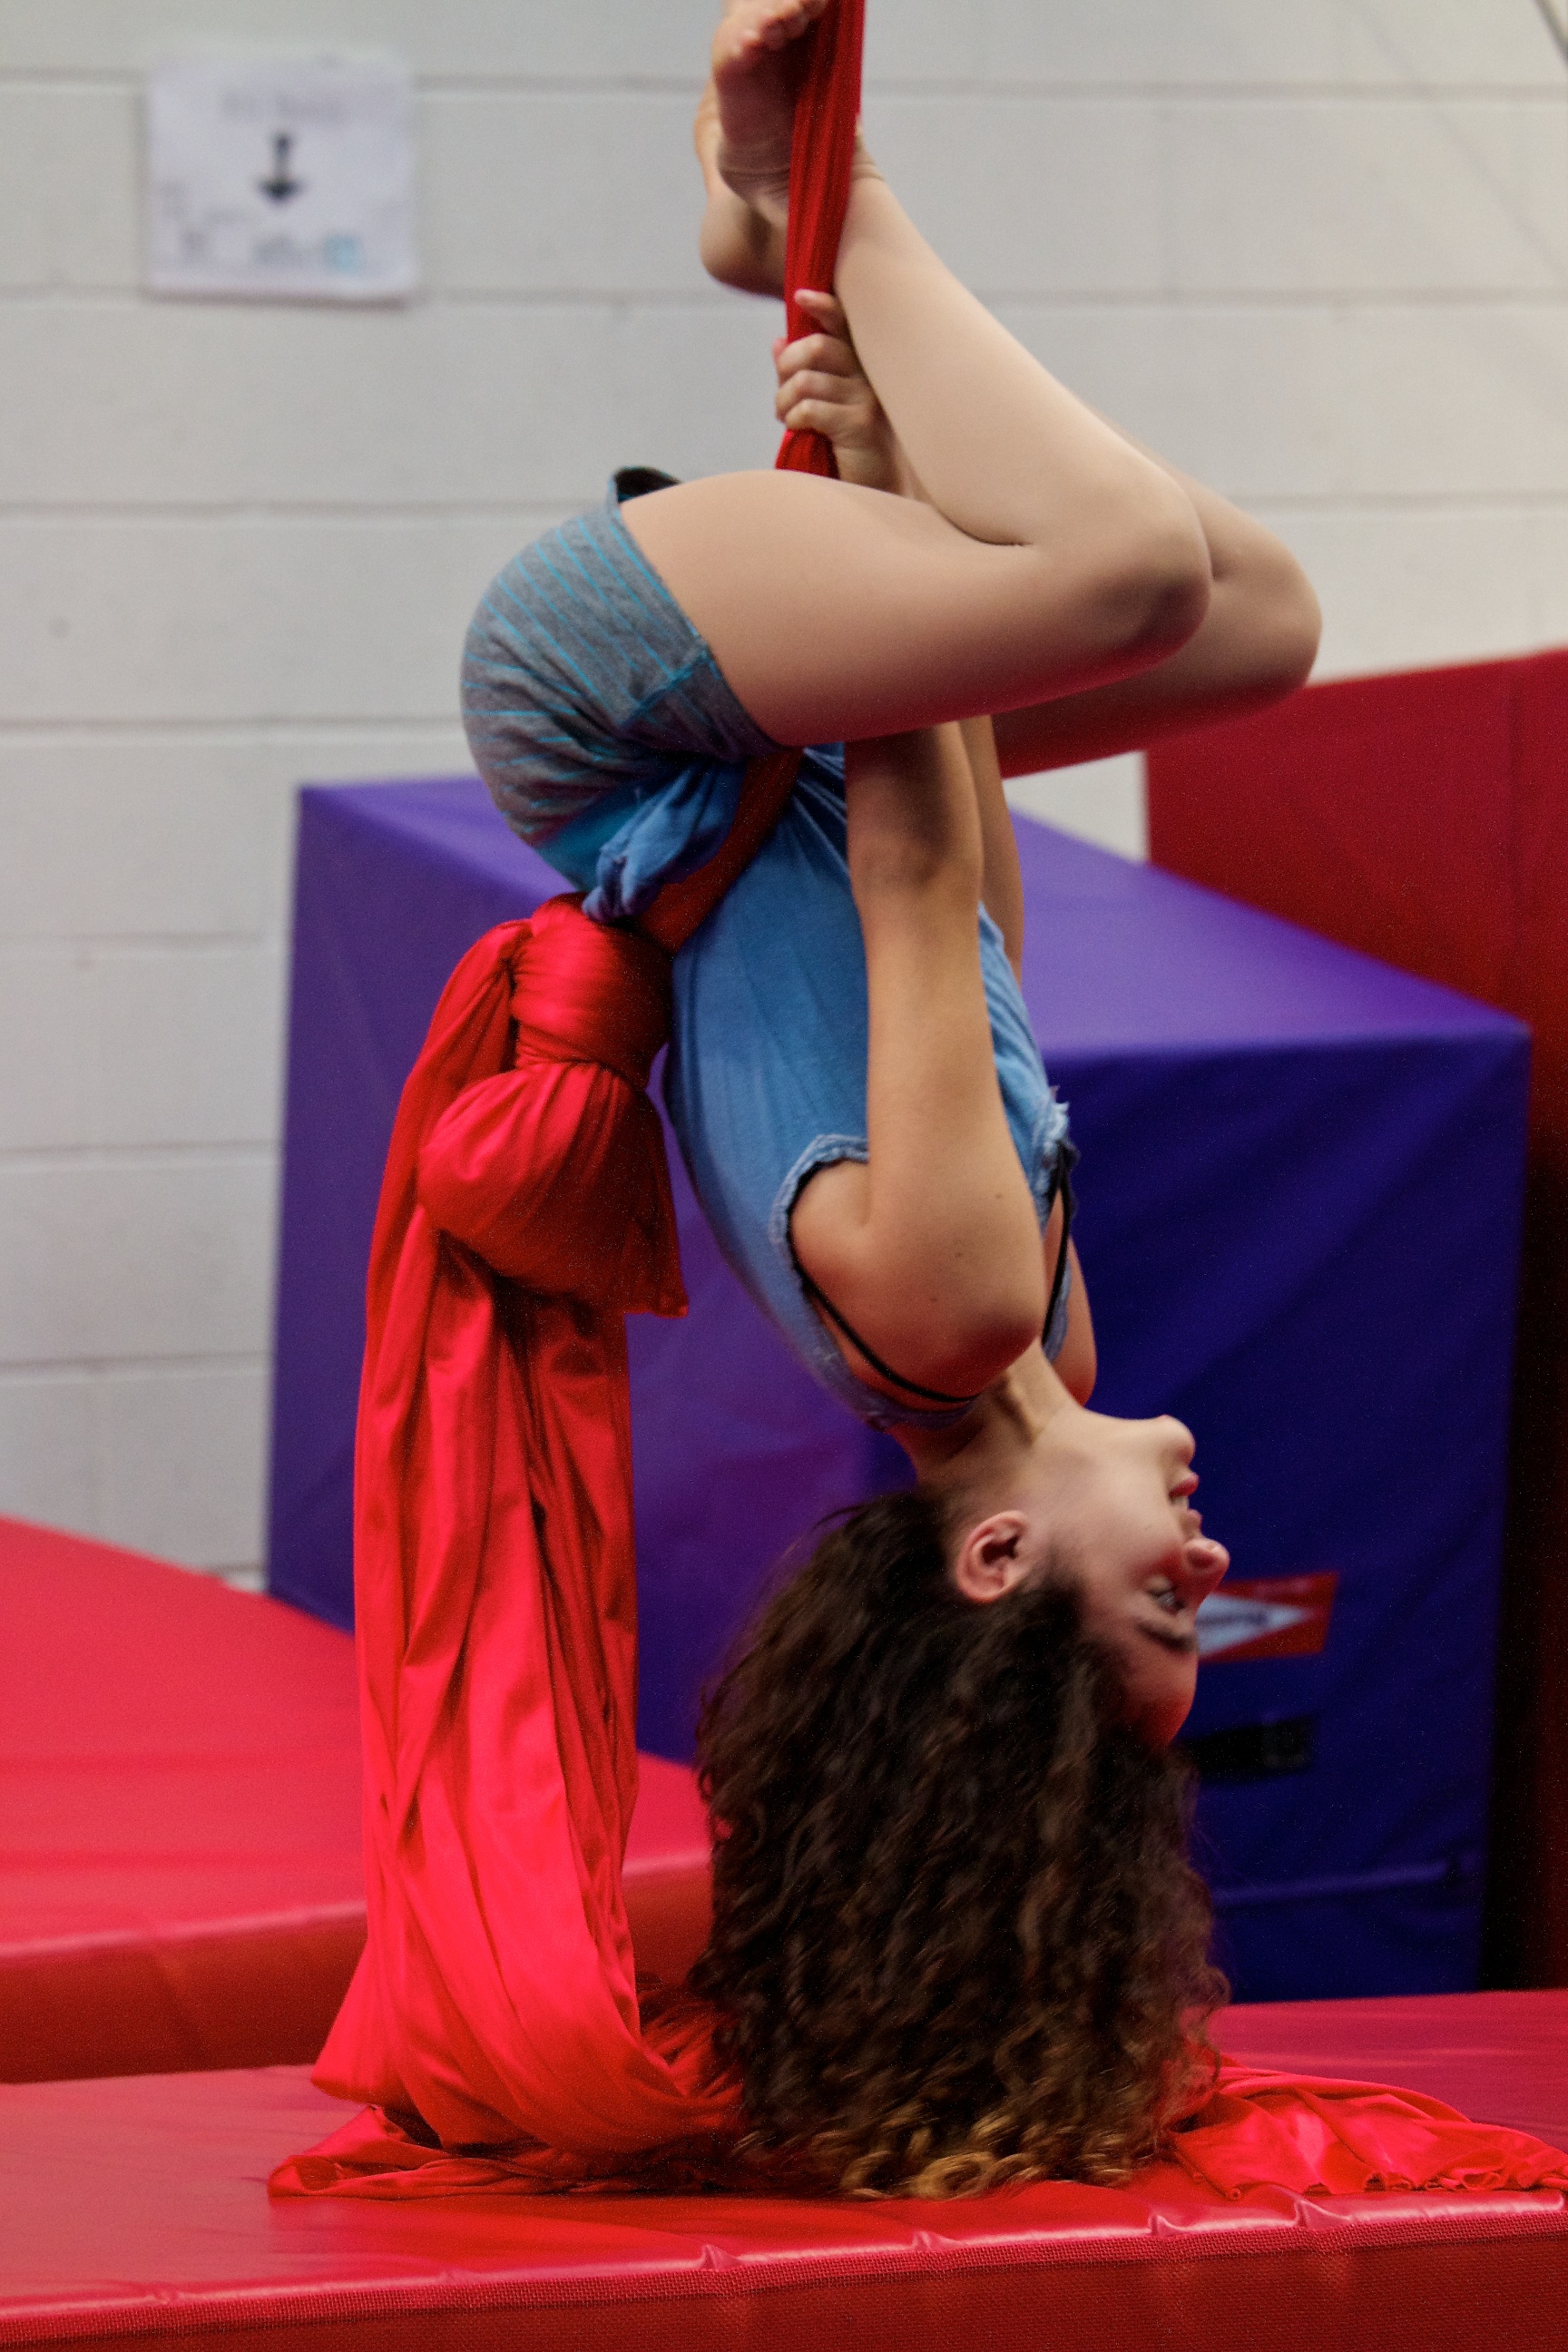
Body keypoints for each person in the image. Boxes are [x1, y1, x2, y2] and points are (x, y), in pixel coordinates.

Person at [456, 0, 1319, 2190]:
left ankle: (820, 215)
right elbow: (993, 935)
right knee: (1258, 627)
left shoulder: (939, 1303)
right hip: (803, 772)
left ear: (1005, 1554)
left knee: (1116, 580)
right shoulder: (1046, 1340)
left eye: (1160, 1597)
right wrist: (927, 546)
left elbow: (925, 857)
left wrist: (925, 533)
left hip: (617, 727)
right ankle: (811, 270)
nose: (1208, 1555)